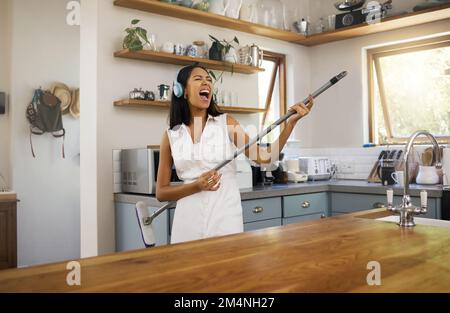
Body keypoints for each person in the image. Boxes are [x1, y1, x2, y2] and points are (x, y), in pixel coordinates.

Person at [156, 64, 314, 244]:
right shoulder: (171, 135)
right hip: (187, 222)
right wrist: (196, 186)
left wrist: (291, 124)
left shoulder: (226, 123)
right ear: (182, 91)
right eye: (198, 79)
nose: (206, 83)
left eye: (209, 80)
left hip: (225, 216)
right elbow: (161, 192)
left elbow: (265, 158)